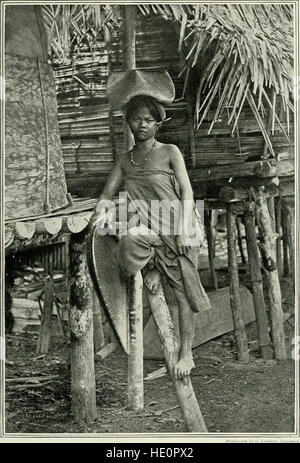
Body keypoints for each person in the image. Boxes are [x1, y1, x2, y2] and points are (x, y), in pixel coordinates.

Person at [90, 71, 210, 380]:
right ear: (128, 122)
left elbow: (186, 192)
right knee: (129, 240)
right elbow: (107, 195)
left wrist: (183, 230)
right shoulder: (124, 160)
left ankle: (186, 352)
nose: (141, 124)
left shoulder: (170, 152)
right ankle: (152, 267)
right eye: (136, 119)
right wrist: (99, 217)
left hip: (180, 227)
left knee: (182, 295)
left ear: (157, 123)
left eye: (147, 119)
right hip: (150, 228)